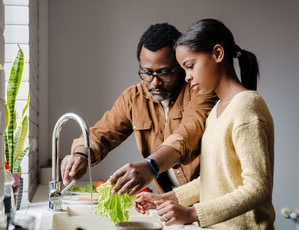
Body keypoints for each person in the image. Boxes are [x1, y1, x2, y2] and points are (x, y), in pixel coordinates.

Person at [134, 19, 276, 230]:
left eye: (190, 66)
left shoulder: (247, 106)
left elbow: (258, 189)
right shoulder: (218, 110)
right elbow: (213, 181)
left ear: (218, 54)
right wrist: (163, 200)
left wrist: (193, 213)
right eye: (183, 69)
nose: (187, 76)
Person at [61, 23, 217, 195]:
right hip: (168, 203)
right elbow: (100, 134)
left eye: (164, 73)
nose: (155, 82)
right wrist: (81, 155)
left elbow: (189, 133)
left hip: (208, 202)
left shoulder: (201, 89)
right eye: (147, 73)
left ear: (180, 65)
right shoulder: (133, 98)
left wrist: (151, 166)